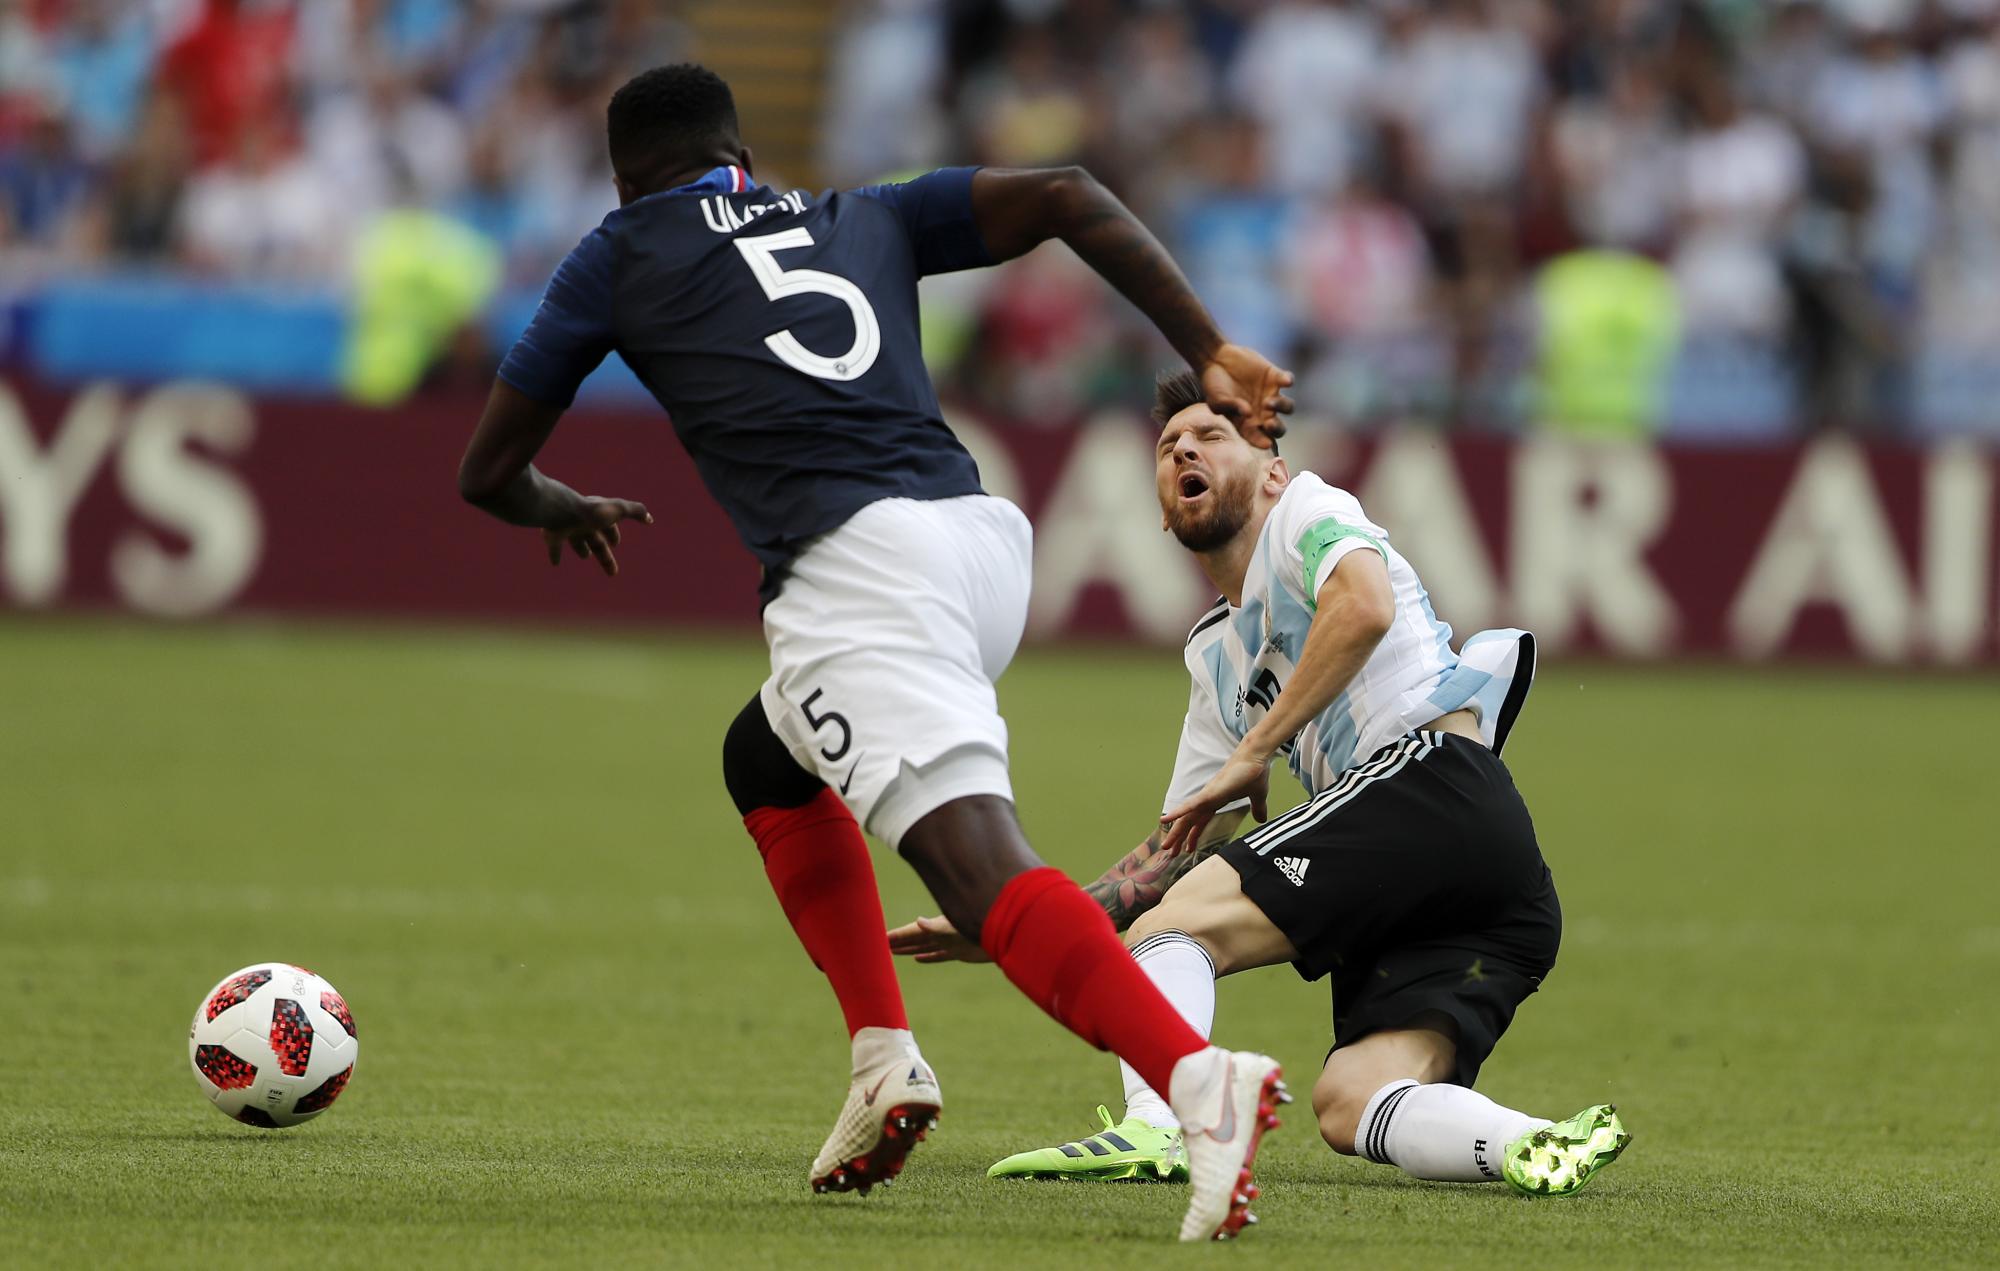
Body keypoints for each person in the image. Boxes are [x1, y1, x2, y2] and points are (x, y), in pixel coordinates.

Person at [455, 64, 1297, 1242]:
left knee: (981, 877)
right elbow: (1062, 189)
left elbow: (484, 472)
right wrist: (1207, 346)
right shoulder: (856, 212)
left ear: (623, 177)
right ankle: (881, 1056)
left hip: (858, 573)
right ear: (741, 153)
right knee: (766, 754)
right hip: (979, 542)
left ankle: (1195, 1084)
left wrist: (560, 507)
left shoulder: (618, 250)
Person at [890, 370, 1631, 1197]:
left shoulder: (1309, 513)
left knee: (1174, 936)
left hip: (1430, 778)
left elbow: (1365, 604)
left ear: (1272, 469)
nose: (1183, 453)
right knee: (1351, 1102)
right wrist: (1011, 925)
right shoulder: (1216, 655)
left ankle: (1161, 1125)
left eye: (1209, 436)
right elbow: (1174, 853)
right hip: (1478, 876)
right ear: (1164, 511)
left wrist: (1259, 748)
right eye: (1169, 449)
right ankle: (1531, 1142)